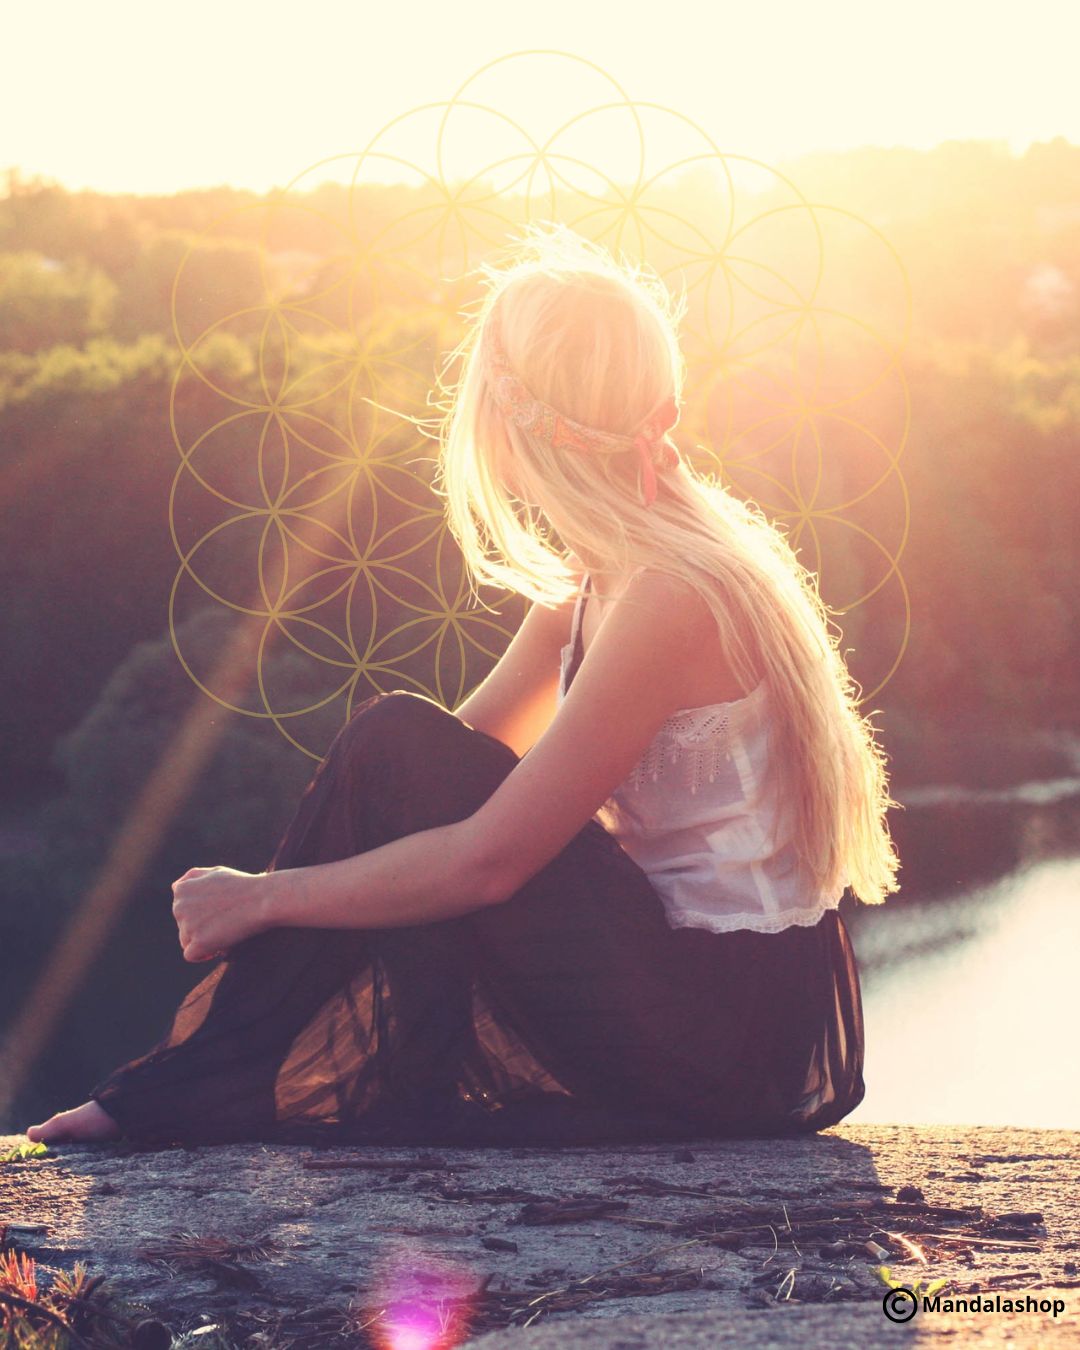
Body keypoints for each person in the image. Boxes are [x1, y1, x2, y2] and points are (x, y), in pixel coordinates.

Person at [25, 222, 900, 1149]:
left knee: (401, 751)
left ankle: (197, 1087)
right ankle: (209, 1083)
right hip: (699, 997)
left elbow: (492, 858)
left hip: (728, 1033)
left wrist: (266, 899)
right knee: (396, 737)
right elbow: (425, 777)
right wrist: (291, 884)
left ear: (509, 416)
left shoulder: (669, 597)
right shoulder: (604, 572)